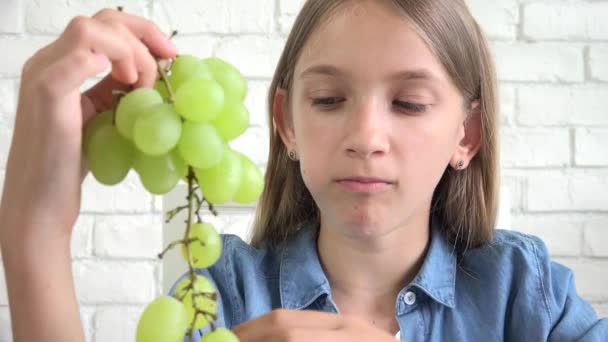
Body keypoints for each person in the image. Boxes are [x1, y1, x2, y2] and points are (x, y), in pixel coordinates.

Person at [0, 0, 606, 341]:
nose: (367, 138)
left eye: (409, 103)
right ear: (286, 123)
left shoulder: (525, 293)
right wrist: (35, 233)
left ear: (466, 135)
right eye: (328, 100)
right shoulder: (220, 292)